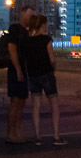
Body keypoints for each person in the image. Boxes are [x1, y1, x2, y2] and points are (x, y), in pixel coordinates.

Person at [25, 14, 65, 145]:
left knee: (36, 106)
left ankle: (37, 137)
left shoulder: (27, 41)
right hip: (46, 74)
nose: (47, 26)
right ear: (42, 25)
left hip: (33, 76)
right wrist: (53, 70)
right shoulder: (46, 40)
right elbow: (52, 59)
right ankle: (56, 137)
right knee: (54, 104)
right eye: (45, 24)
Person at [5, 5, 37, 144]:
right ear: (23, 15)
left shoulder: (27, 32)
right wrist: (18, 69)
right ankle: (11, 134)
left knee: (21, 102)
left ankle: (17, 132)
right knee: (15, 102)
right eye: (30, 16)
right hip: (15, 71)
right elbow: (12, 49)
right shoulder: (15, 29)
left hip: (23, 71)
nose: (32, 19)